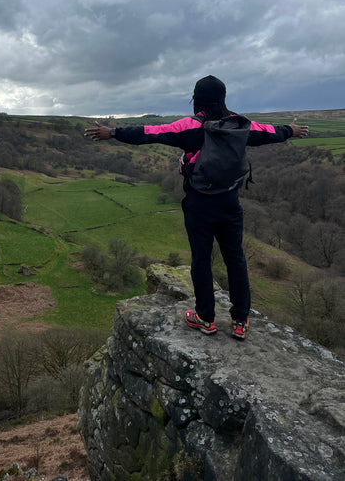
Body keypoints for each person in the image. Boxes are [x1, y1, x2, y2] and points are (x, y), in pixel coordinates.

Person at [84, 75, 309, 340]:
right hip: (230, 202)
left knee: (201, 260)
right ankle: (240, 320)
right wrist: (291, 131)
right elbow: (270, 132)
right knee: (235, 258)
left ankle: (205, 318)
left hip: (200, 202)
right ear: (223, 99)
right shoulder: (239, 125)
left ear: (197, 100)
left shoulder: (191, 126)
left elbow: (150, 133)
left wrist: (112, 133)